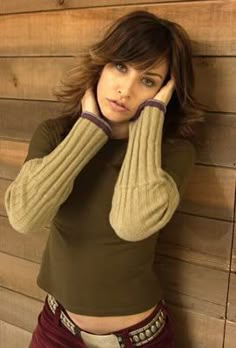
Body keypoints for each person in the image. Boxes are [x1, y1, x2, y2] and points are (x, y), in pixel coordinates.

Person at [5, 10, 204, 348]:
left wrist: (148, 122)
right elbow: (24, 217)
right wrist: (89, 129)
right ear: (102, 64)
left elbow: (131, 223)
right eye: (121, 66)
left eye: (149, 80)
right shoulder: (55, 134)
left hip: (141, 339)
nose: (125, 89)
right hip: (57, 330)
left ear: (165, 93)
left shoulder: (174, 153)